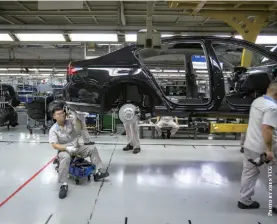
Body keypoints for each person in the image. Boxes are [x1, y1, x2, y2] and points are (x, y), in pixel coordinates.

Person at [49, 106, 109, 199]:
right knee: (65, 157)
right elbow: (54, 145)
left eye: (62, 113)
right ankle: (64, 184)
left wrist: (79, 117)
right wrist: (67, 148)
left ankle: (97, 172)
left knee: (92, 149)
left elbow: (79, 126)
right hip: (64, 149)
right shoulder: (53, 129)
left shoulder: (70, 122)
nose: (61, 115)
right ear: (54, 117)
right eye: (58, 114)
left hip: (76, 147)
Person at [238, 81, 277, 215]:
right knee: (274, 178)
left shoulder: (257, 101)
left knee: (249, 173)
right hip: (263, 150)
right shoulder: (272, 108)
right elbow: (267, 129)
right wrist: (269, 150)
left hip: (250, 145)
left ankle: (244, 200)